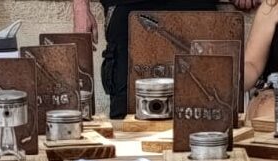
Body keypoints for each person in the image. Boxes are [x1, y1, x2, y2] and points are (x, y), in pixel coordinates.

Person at [73, 0, 256, 119]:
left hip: (195, 6)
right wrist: (80, 7)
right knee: (128, 114)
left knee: (203, 112)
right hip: (129, 7)